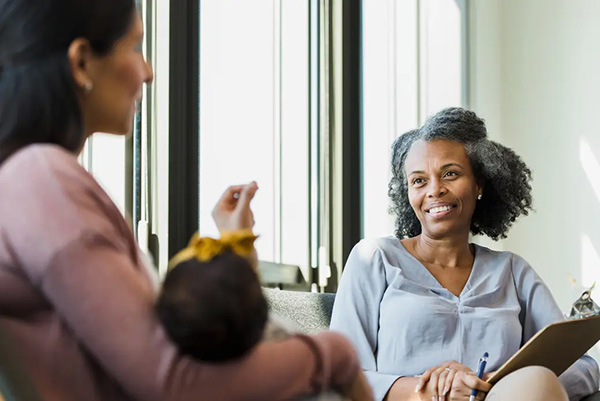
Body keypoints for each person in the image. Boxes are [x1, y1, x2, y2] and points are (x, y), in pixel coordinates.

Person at [0, 1, 373, 400]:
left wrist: (235, 245)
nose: (148, 71)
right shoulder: (45, 183)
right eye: (135, 47)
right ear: (82, 63)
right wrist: (335, 354)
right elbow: (175, 383)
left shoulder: (35, 181)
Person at [329, 107, 600, 401]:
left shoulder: (512, 271)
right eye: (419, 180)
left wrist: (490, 386)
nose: (435, 190)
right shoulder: (374, 259)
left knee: (537, 379)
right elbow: (343, 376)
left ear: (479, 183)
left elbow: (584, 368)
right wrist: (431, 390)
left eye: (450, 174)